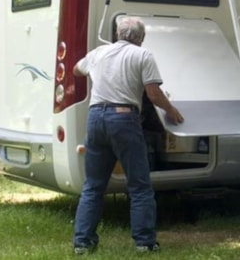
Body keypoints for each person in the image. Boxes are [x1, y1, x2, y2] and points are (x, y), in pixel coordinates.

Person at [72, 16, 184, 255]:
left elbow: (75, 70)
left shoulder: (98, 53)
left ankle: (82, 242)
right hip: (124, 118)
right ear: (141, 38)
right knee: (139, 185)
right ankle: (144, 242)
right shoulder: (142, 55)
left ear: (118, 35)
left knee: (93, 185)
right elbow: (153, 94)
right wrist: (172, 110)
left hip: (95, 118)